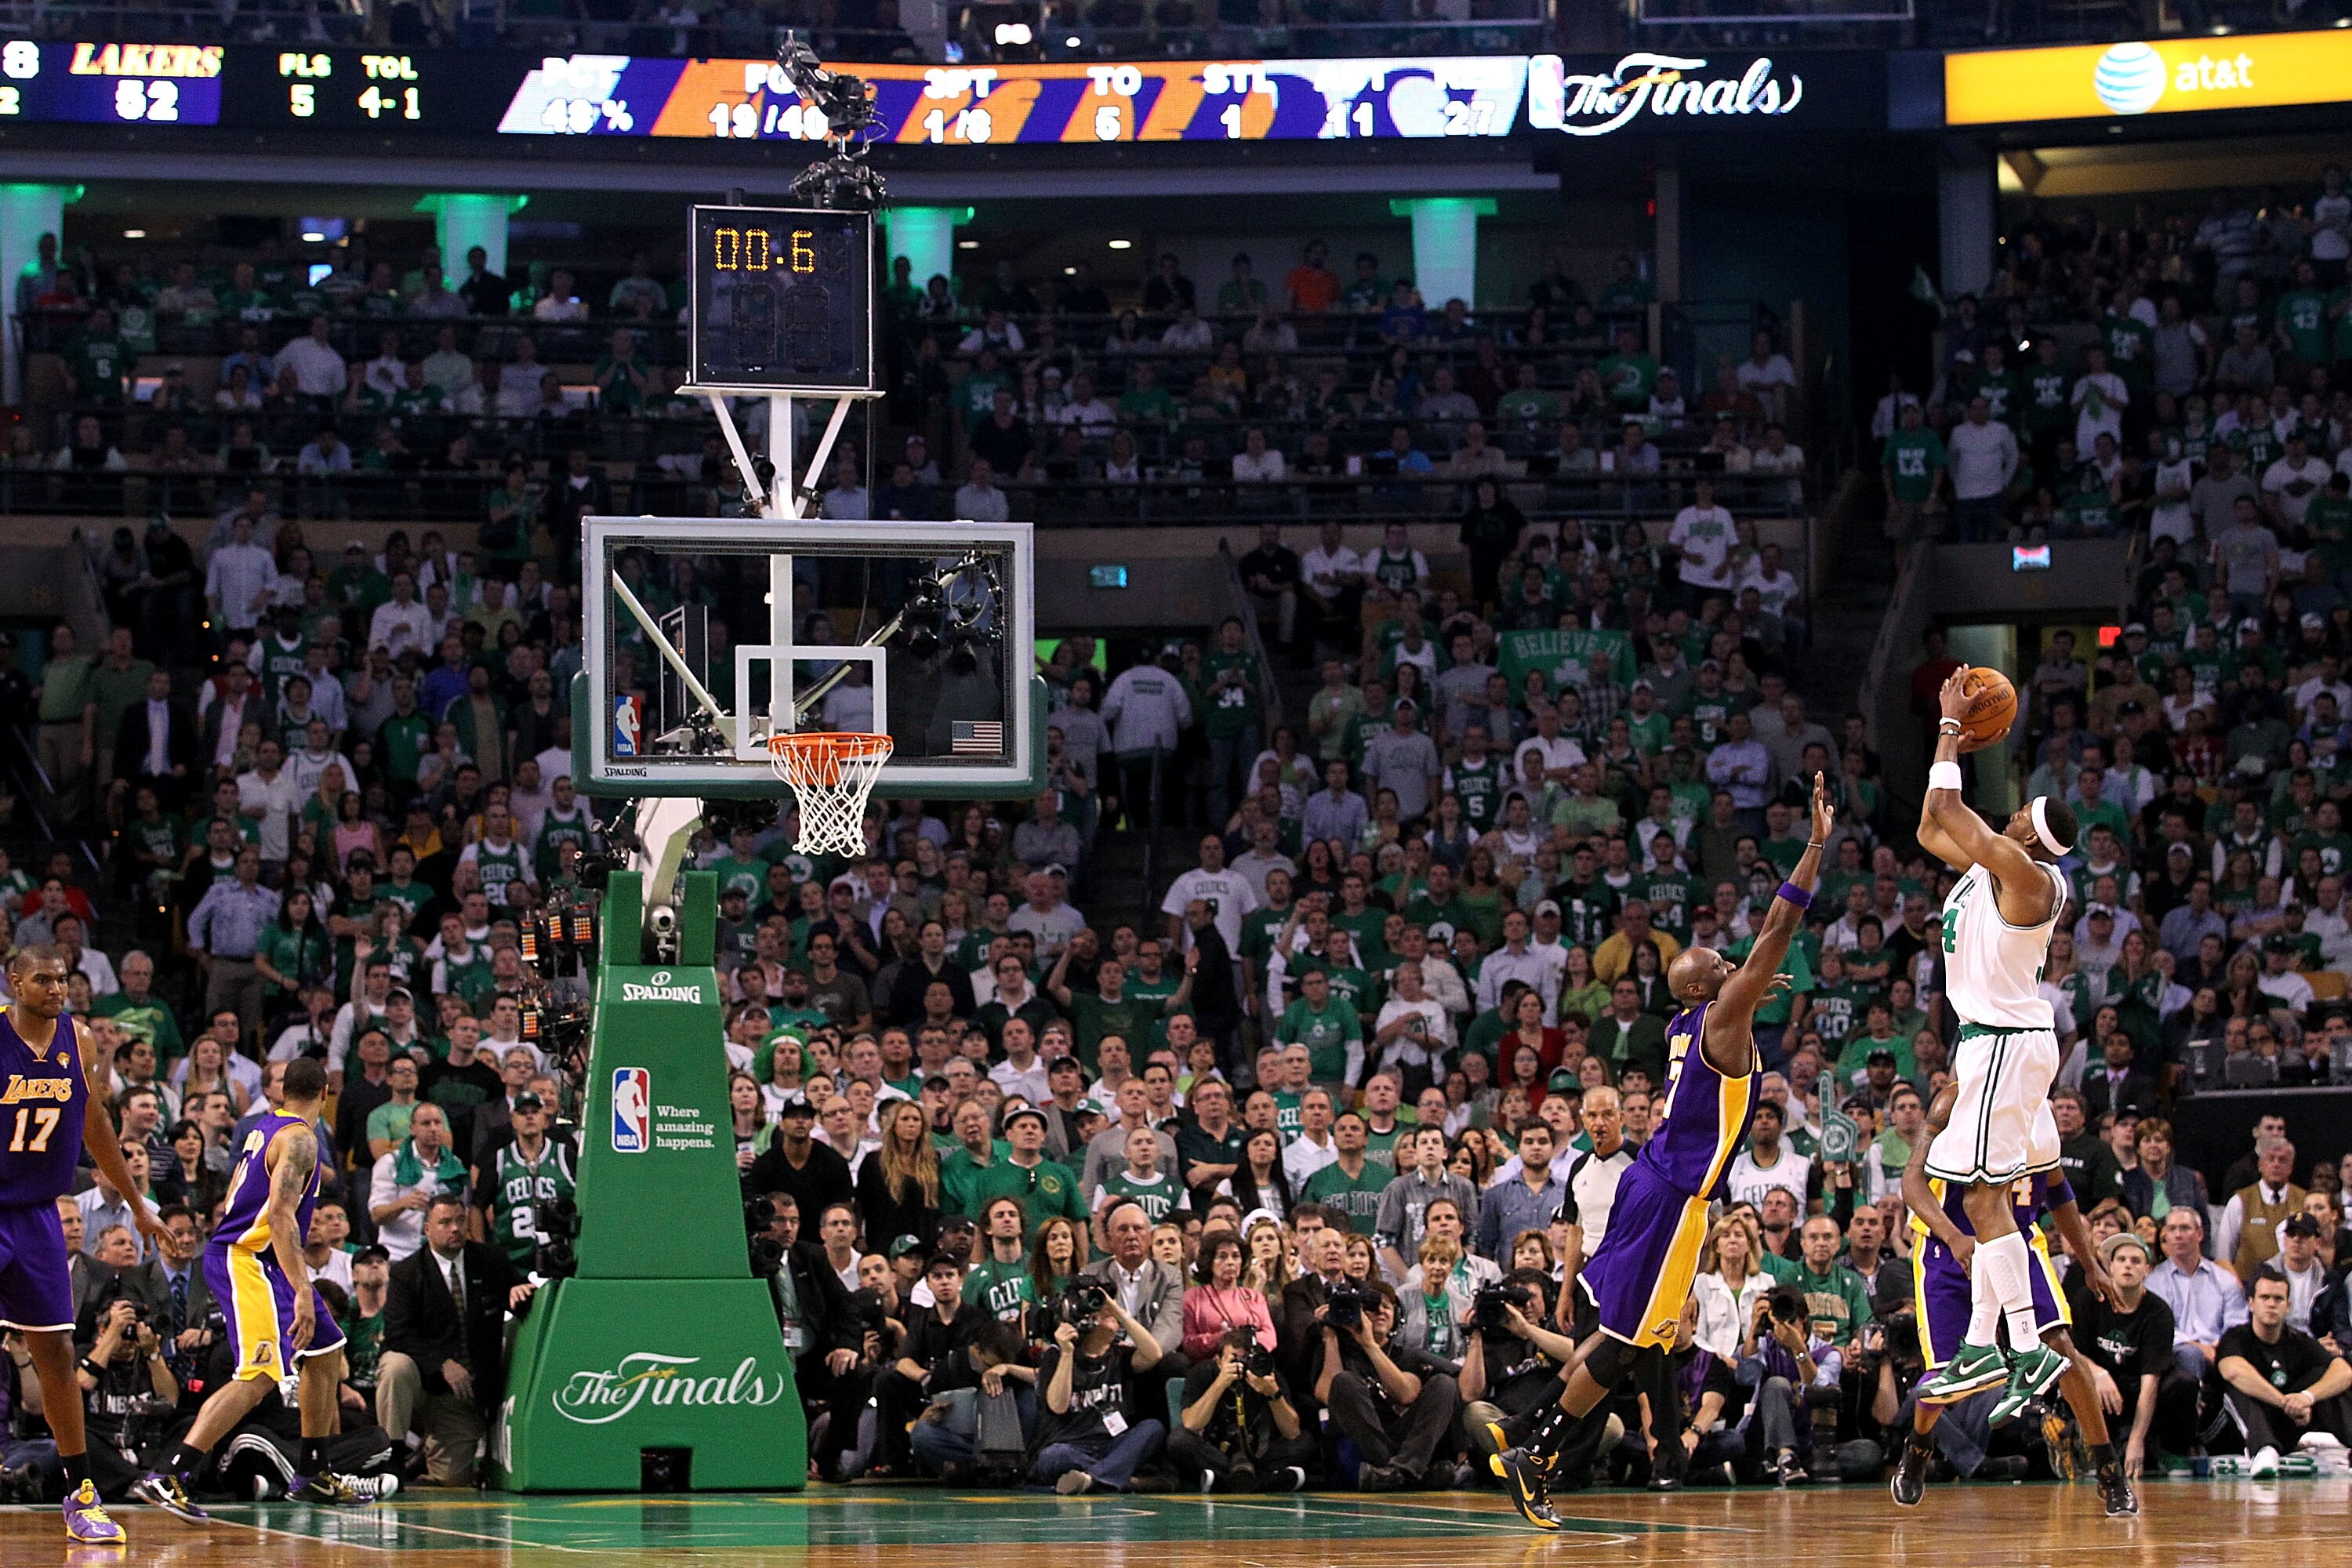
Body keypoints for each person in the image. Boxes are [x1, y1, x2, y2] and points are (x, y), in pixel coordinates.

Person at [1494, 775, 1832, 1527]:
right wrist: (1814, 844)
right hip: (1674, 1200)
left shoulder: (1689, 1023)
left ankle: (1525, 1434)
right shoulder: (1719, 1018)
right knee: (1623, 1347)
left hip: (1654, 1185)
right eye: (1723, 965)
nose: (1732, 963)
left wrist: (1744, 989)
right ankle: (1536, 1455)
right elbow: (1779, 924)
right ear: (1711, 988)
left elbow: (1736, 982)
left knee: (1629, 1340)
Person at [1911, 669, 2082, 1421]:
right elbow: (1930, 826)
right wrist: (1948, 745)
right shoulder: (1989, 869)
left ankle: (2022, 1344)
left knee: (1983, 1199)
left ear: (2030, 835)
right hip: (1991, 1044)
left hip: (2007, 1044)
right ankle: (1989, 1342)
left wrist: (1953, 725)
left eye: (2015, 814)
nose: (2006, 816)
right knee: (1983, 1196)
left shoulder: (2027, 879)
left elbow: (1952, 808)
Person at [130, 1058, 366, 1519]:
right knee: (258, 1377)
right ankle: (170, 1474)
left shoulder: (266, 1126)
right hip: (248, 1259)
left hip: (264, 1259)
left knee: (325, 1350)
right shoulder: (300, 1138)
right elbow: (279, 1214)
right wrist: (303, 1288)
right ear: (325, 1095)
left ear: (282, 1092)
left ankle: (314, 1472)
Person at [1889, 1080, 2136, 1516]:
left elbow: (2058, 1191)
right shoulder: (1953, 1100)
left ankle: (2107, 1467)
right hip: (1949, 1249)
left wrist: (2090, 1262)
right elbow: (1912, 1183)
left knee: (2059, 1346)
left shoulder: (2038, 1111)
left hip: (2017, 1242)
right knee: (1949, 1373)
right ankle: (1920, 1443)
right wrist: (1955, 1237)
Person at [1, 945, 177, 1542]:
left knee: (55, 1352)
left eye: (62, 980)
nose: (56, 989)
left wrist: (137, 1204)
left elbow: (95, 1123)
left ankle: (81, 1497)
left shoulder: (77, 1040)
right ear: (15, 982)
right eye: (42, 980)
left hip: (38, 1215)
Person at [2216, 1268, 2352, 1473]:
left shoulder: (2297, 1339)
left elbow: (2344, 1372)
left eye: (2278, 1299)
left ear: (2288, 1307)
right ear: (2251, 1304)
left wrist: (2306, 1397)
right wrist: (2285, 1403)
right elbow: (2232, 1371)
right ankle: (2263, 1451)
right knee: (2238, 1386)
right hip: (2231, 1430)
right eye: (2265, 1298)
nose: (2271, 1304)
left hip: (2284, 1423)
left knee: (2327, 1377)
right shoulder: (2235, 1337)